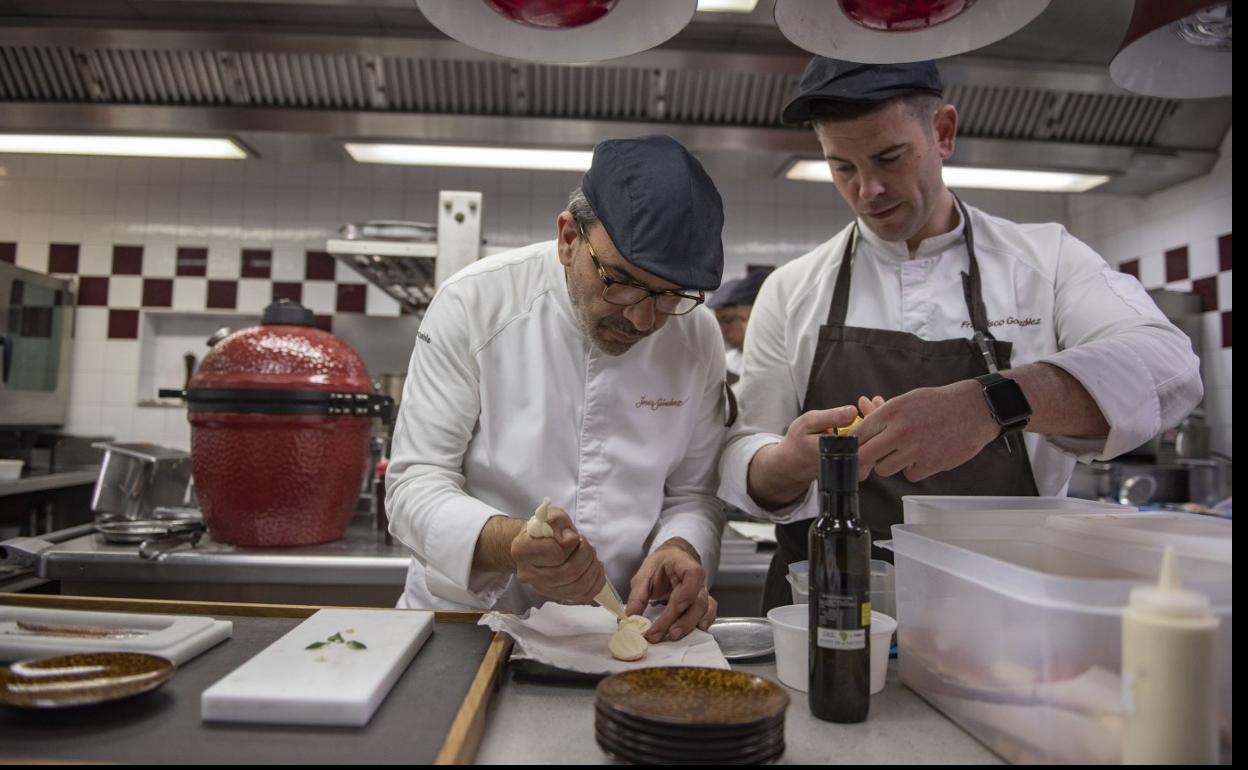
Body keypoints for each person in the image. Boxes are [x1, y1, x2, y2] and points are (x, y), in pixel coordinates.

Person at [717, 58, 1204, 612]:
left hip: (1000, 611)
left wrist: (989, 404)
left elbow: (1168, 367)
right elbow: (744, 449)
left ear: (943, 132)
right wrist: (786, 463)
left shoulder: (1045, 260)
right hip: (832, 611)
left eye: (889, 158)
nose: (868, 189)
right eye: (842, 167)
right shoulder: (792, 288)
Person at [388, 134, 731, 643]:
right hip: (467, 625)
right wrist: (511, 544)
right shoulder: (474, 303)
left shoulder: (697, 334)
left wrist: (680, 547)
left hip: (614, 633)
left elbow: (694, 494)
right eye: (620, 281)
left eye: (669, 295)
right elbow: (414, 483)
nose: (641, 318)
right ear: (569, 237)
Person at [709, 269, 771, 390]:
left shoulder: (772, 360)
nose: (722, 330)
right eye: (719, 322)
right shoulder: (726, 362)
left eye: (727, 320)